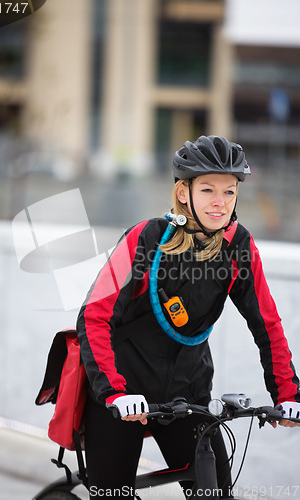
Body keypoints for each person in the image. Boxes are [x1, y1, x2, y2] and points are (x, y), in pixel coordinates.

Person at [76, 135, 300, 499]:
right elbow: (93, 317)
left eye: (229, 192)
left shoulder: (238, 247)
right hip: (123, 388)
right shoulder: (144, 239)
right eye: (208, 189)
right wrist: (115, 393)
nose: (220, 202)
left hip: (188, 393)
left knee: (214, 493)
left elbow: (267, 325)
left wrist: (288, 392)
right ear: (184, 193)